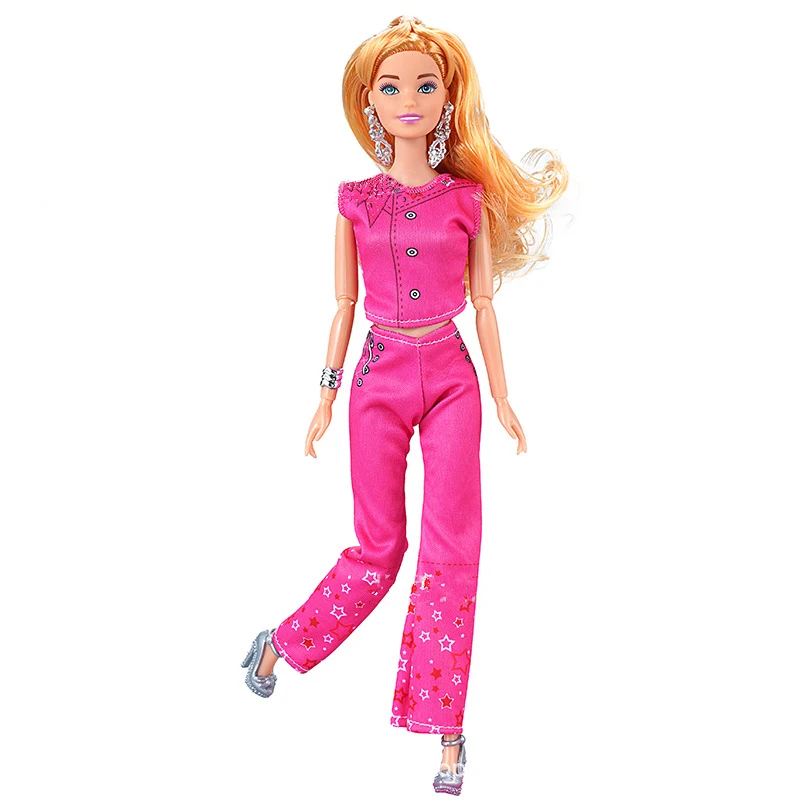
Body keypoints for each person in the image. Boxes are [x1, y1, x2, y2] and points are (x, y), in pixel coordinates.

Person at [240, 15, 568, 795]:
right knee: (379, 548)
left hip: (451, 375)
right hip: (379, 375)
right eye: (391, 87)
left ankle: (447, 731)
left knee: (455, 548)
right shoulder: (355, 201)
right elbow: (342, 305)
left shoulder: (466, 198)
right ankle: (282, 644)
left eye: (425, 84)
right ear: (370, 101)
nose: (409, 99)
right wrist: (324, 395)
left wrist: (503, 395)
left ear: (448, 98)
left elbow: (484, 304)